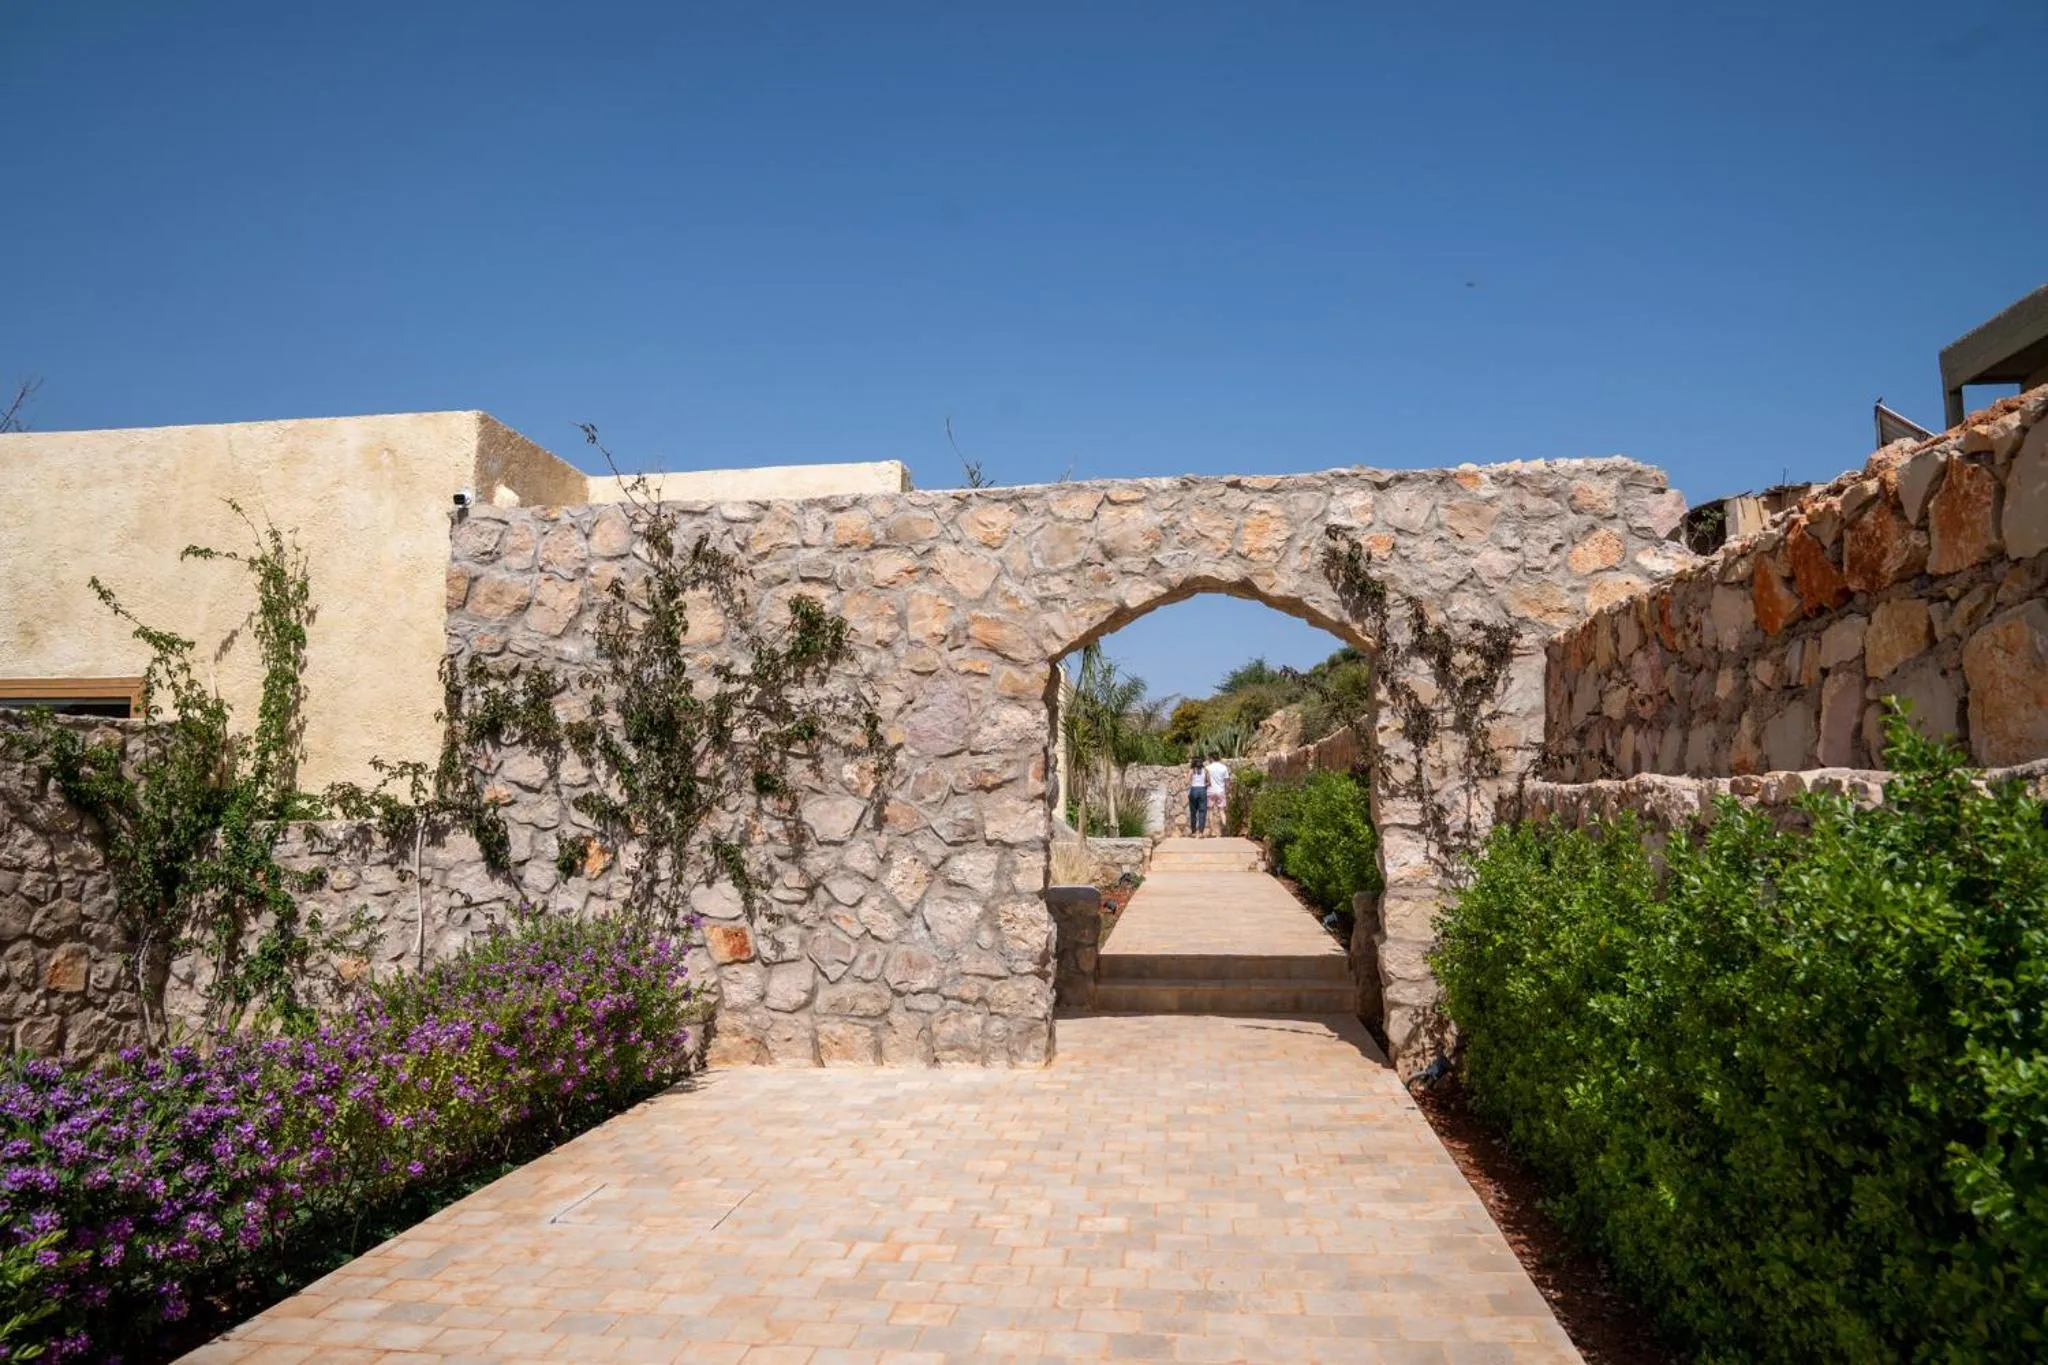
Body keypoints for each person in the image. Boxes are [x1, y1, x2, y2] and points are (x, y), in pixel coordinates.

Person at [1204, 754, 1232, 835]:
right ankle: (1225, 831)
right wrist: (1227, 790)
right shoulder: (1224, 767)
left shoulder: (1208, 768)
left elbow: (1206, 780)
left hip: (1210, 791)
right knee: (1222, 811)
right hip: (1221, 791)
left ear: (1211, 758)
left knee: (1210, 811)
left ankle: (1212, 832)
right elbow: (1226, 781)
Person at [1187, 755, 1208, 835]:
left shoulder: (1192, 770)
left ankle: (1193, 832)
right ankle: (1201, 832)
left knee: (1193, 812)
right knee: (1202, 811)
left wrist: (1185, 777)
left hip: (1194, 790)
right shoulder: (1205, 770)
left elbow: (1186, 781)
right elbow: (1208, 782)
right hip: (1202, 790)